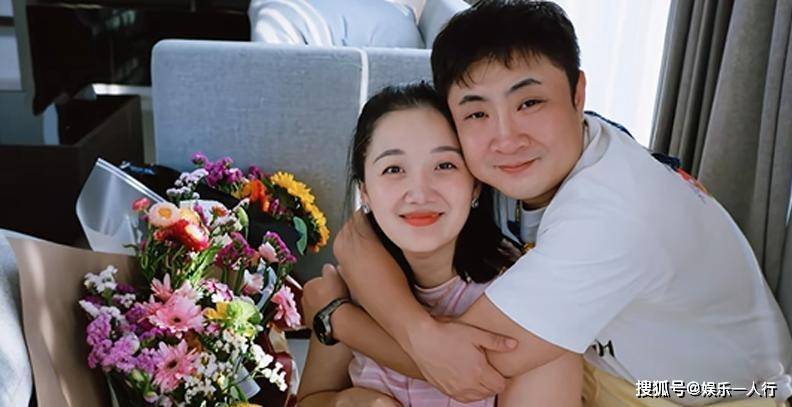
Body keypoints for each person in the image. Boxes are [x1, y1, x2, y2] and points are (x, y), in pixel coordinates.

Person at [302, 1, 792, 406]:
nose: (506, 137)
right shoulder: (538, 155)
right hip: (613, 366)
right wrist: (411, 327)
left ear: (578, 93)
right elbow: (359, 236)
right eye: (477, 113)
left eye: (529, 102)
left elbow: (468, 366)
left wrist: (338, 319)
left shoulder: (611, 212)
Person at [297, 82, 583, 406]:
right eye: (394, 169)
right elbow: (310, 400)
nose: (419, 193)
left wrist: (341, 321)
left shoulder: (526, 303)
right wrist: (348, 403)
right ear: (365, 192)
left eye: (444, 165)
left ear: (475, 185)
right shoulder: (351, 287)